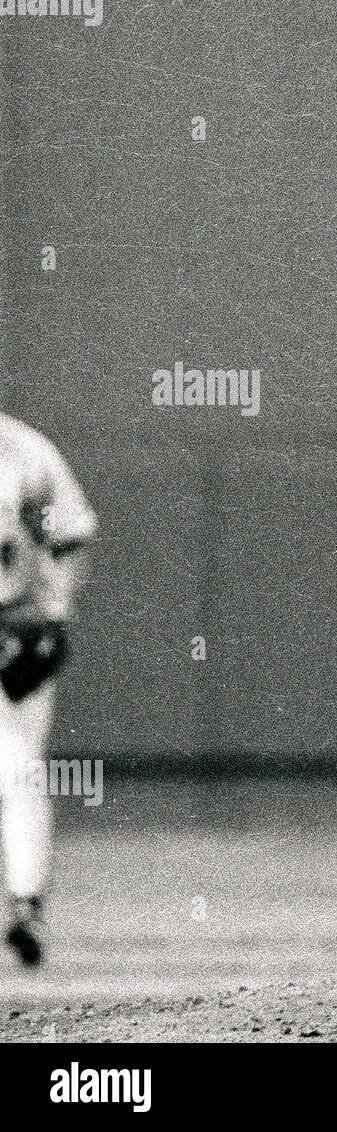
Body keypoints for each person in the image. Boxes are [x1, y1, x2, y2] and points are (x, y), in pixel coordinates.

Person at [0, 412, 97, 967]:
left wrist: (53, 611)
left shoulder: (25, 453)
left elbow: (74, 534)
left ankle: (25, 904)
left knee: (18, 768)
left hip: (13, 626)